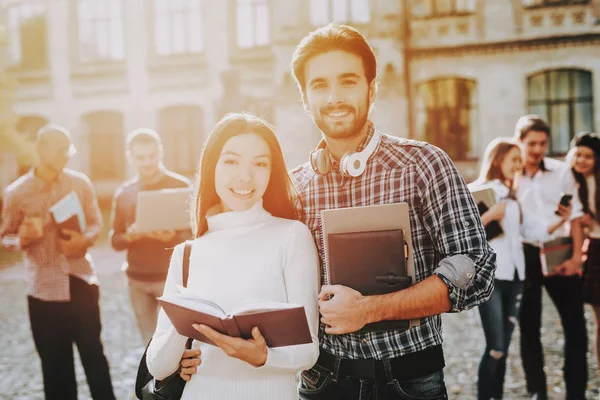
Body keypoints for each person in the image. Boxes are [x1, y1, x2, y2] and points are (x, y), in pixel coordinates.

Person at [285, 23, 495, 399]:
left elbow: (475, 270)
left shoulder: (424, 164)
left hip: (410, 381)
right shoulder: (293, 185)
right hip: (321, 382)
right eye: (319, 85)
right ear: (304, 97)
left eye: (348, 81)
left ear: (372, 87)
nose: (334, 97)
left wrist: (368, 310)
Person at [146, 113, 320, 400]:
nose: (245, 176)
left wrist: (262, 357)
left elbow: (308, 350)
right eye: (231, 161)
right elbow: (158, 366)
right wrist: (184, 329)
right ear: (211, 166)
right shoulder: (187, 253)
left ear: (271, 171)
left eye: (260, 164)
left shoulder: (292, 236)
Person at [0, 124, 115, 400]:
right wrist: (22, 240)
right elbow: (5, 236)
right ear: (41, 149)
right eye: (61, 149)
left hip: (82, 282)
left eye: (69, 149)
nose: (67, 155)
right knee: (55, 369)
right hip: (43, 292)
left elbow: (96, 223)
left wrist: (84, 240)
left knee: (95, 359)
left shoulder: (80, 183)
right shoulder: (16, 193)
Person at [470, 138, 571, 400]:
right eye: (514, 159)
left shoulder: (516, 197)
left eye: (519, 160)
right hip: (491, 277)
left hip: (516, 277)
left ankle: (496, 396)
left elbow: (532, 231)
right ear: (498, 160)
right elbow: (465, 235)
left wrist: (560, 219)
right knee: (495, 346)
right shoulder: (479, 191)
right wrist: (491, 215)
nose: (519, 164)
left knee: (503, 348)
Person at [514, 115, 587, 400]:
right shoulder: (509, 174)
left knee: (576, 327)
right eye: (531, 143)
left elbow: (577, 217)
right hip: (526, 253)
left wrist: (577, 259)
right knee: (529, 328)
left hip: (560, 250)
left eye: (543, 143)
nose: (537, 149)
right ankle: (537, 393)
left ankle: (576, 393)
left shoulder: (561, 172)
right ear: (519, 142)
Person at [109, 128, 192, 345]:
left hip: (172, 278)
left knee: (178, 343)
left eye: (151, 156)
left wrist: (171, 238)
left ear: (160, 152)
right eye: (140, 158)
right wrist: (129, 237)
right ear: (130, 157)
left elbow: (195, 235)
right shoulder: (124, 193)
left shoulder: (181, 186)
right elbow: (114, 240)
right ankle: (153, 380)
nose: (147, 162)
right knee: (149, 344)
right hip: (137, 281)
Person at [568, 131, 600, 377]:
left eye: (588, 156)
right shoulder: (570, 182)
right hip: (593, 249)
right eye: (577, 154)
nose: (581, 160)